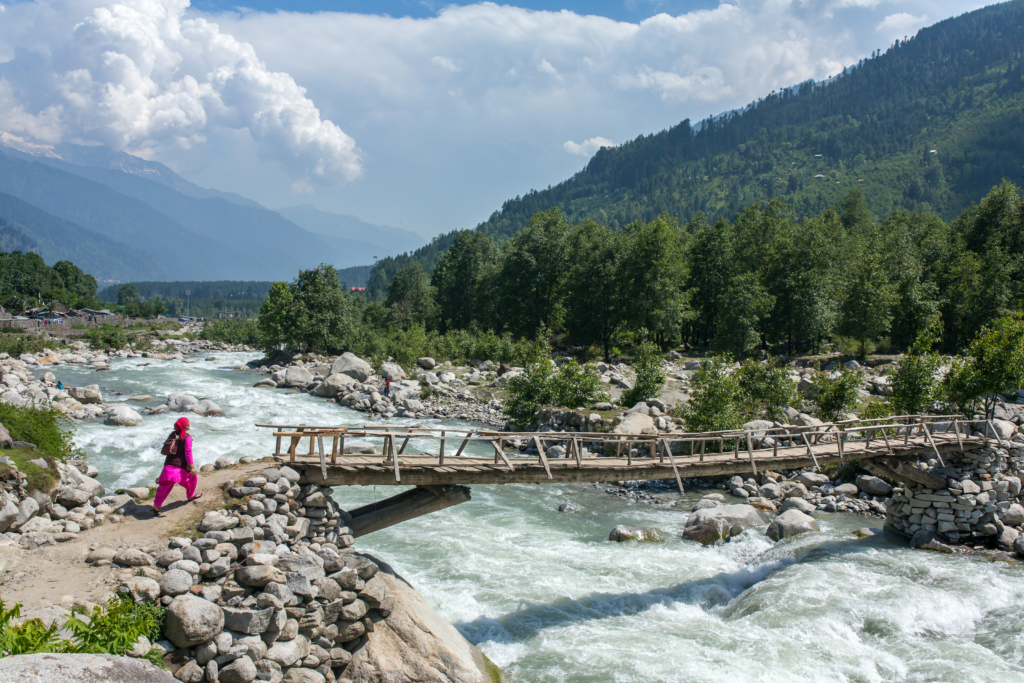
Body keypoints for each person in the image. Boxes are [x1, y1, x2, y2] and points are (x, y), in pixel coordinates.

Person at [152, 417, 202, 516]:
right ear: (187, 426)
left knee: (164, 487)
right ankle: (190, 495)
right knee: (191, 478)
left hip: (168, 466)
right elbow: (188, 453)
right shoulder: (187, 437)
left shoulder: (172, 434)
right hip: (180, 468)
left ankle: (156, 506)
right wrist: (192, 467)